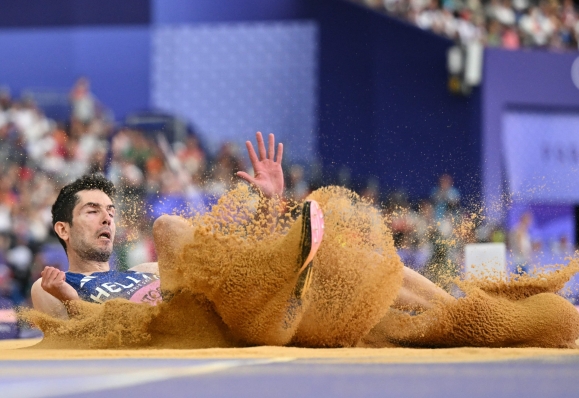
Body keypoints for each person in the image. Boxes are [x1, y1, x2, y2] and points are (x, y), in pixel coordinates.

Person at [31, 132, 454, 340]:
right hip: (191, 329)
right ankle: (282, 264)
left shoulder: (144, 269)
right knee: (169, 227)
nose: (107, 219)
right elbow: (82, 333)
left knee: (358, 267)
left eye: (110, 211)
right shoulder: (54, 286)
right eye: (92, 211)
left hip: (238, 312)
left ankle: (463, 315)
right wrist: (67, 296)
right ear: (63, 229)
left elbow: (222, 276)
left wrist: (270, 205)